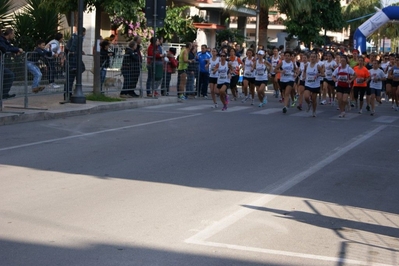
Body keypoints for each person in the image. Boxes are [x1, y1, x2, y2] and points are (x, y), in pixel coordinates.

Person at [0, 28, 24, 99]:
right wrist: (17, 49)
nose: (13, 36)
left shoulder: (4, 40)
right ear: (10, 34)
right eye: (13, 34)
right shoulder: (1, 40)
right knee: (9, 75)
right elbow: (5, 48)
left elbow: (9, 47)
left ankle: (4, 94)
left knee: (9, 75)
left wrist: (16, 50)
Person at [65, 27, 86, 100]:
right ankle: (69, 93)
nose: (84, 34)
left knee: (71, 78)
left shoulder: (74, 37)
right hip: (74, 60)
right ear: (82, 32)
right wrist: (76, 52)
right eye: (84, 32)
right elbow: (73, 47)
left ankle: (69, 93)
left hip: (73, 60)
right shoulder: (78, 38)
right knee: (71, 78)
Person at [303, 52, 324, 117]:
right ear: (309, 58)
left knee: (314, 99)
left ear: (316, 58)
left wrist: (319, 74)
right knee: (306, 97)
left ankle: (314, 111)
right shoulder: (307, 65)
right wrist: (304, 76)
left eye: (314, 57)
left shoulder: (318, 66)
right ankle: (309, 103)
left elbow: (323, 74)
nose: (312, 58)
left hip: (315, 85)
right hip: (308, 83)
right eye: (311, 57)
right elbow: (304, 71)